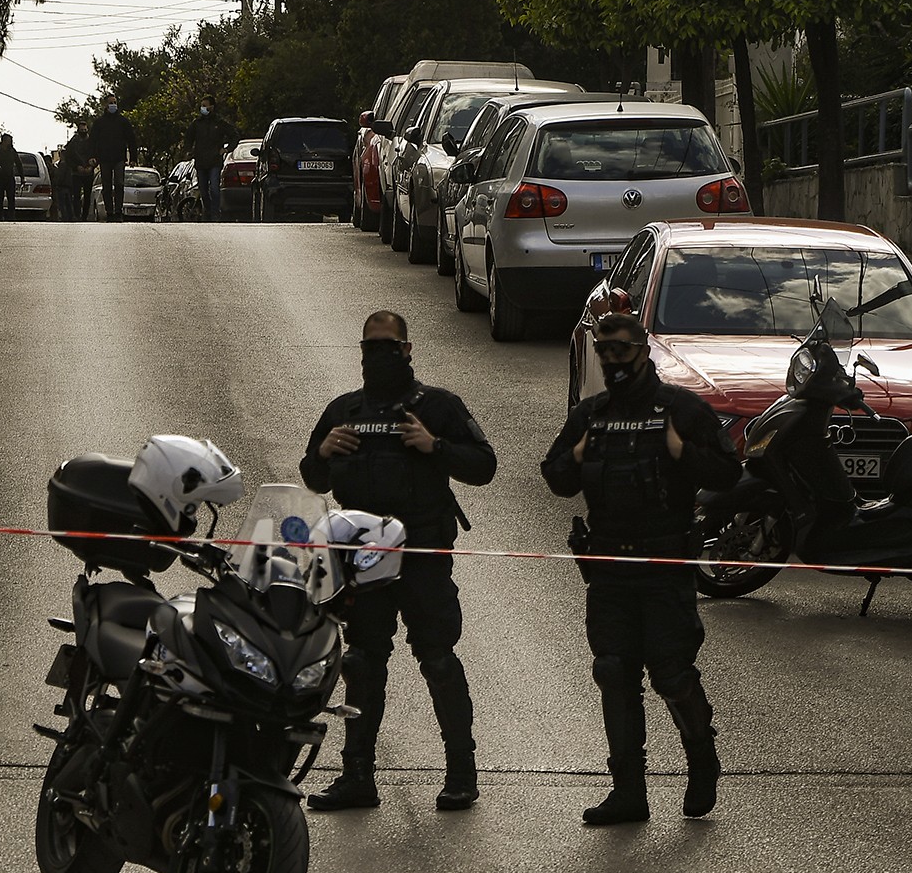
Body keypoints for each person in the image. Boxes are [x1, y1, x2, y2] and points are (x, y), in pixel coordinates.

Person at [540, 312, 738, 826]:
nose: (611, 362)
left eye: (620, 352)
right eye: (603, 353)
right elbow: (556, 478)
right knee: (614, 674)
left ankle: (701, 760)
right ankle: (628, 791)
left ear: (642, 351)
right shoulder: (591, 415)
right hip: (608, 569)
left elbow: (727, 473)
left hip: (664, 565)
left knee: (671, 673)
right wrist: (578, 454)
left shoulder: (680, 409)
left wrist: (679, 450)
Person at [300, 310, 496, 813]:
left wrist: (436, 447)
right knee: (363, 662)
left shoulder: (438, 405)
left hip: (423, 552)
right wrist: (322, 452)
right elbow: (314, 478)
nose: (379, 355)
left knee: (436, 658)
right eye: (370, 347)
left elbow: (483, 465)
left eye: (389, 346)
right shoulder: (344, 408)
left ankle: (461, 773)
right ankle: (357, 777)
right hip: (363, 558)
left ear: (408, 349)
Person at [186, 95, 237, 222]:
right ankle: (207, 211)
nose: (202, 108)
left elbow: (234, 135)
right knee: (203, 191)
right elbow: (188, 139)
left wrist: (226, 149)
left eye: (205, 105)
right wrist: (188, 151)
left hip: (214, 161)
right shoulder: (197, 124)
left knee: (214, 187)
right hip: (201, 162)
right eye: (201, 105)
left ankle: (215, 213)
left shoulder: (219, 123)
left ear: (212, 107)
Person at [89, 97, 139, 221]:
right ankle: (109, 212)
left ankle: (118, 211)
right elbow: (92, 141)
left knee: (119, 184)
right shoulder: (99, 123)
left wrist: (133, 158)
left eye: (115, 103)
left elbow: (131, 140)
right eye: (110, 103)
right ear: (106, 105)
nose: (113, 105)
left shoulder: (123, 121)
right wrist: (92, 156)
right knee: (106, 186)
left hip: (119, 158)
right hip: (104, 159)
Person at [63, 125, 95, 219]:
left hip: (89, 172)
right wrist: (76, 167)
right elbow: (68, 158)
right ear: (78, 130)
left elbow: (97, 155)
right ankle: (77, 215)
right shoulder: (73, 143)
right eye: (82, 130)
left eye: (85, 130)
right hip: (76, 173)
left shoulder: (92, 142)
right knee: (76, 195)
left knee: (87, 195)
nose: (83, 131)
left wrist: (92, 166)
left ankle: (84, 216)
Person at [50, 148, 74, 221]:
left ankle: (65, 217)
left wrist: (56, 183)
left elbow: (60, 175)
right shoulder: (69, 164)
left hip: (61, 186)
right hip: (67, 186)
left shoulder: (62, 164)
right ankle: (70, 217)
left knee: (62, 204)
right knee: (68, 203)